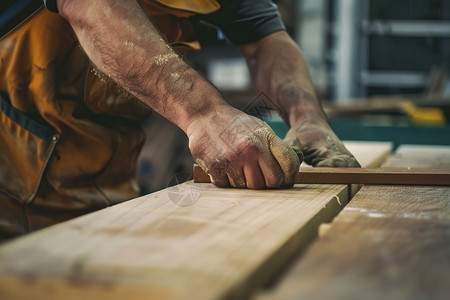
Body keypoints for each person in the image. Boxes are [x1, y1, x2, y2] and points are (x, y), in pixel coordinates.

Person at [0, 0, 360, 239]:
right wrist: (205, 114)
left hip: (100, 168)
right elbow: (90, 7)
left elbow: (268, 41)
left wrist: (307, 117)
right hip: (12, 162)